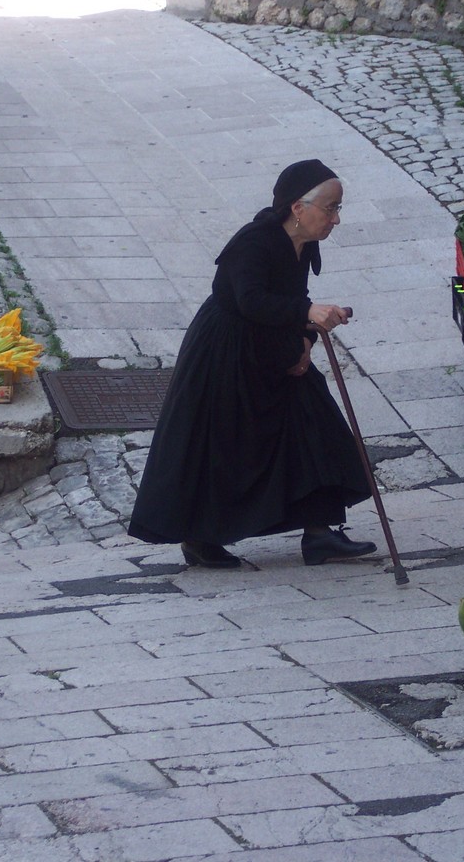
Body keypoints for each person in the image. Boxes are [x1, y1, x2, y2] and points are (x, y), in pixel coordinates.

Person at [128, 158, 377, 569]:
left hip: (273, 343)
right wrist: (308, 312)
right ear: (298, 208)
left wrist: (304, 339)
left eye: (338, 208)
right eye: (330, 208)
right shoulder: (254, 242)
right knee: (224, 443)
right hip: (227, 352)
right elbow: (251, 300)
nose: (336, 219)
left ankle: (319, 532)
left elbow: (290, 300)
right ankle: (199, 538)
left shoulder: (303, 242)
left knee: (313, 422)